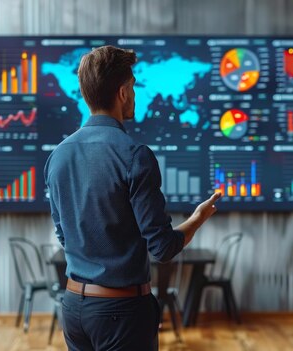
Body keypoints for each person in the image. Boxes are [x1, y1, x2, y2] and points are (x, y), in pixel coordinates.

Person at [44, 45, 221, 351]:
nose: (136, 95)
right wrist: (198, 218)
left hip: (73, 308)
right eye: (134, 87)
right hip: (121, 312)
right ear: (123, 92)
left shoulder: (58, 156)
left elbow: (64, 234)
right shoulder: (134, 155)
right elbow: (163, 247)